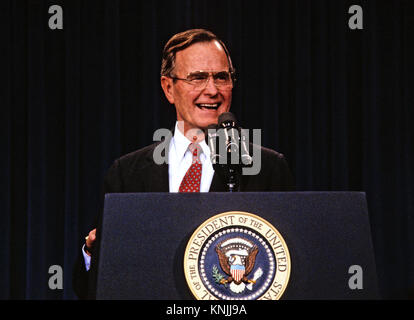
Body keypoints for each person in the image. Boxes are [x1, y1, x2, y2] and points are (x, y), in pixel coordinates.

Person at [72, 29, 294, 299]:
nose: (212, 90)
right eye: (198, 77)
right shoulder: (127, 174)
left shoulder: (266, 168)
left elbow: (286, 272)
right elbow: (91, 288)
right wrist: (91, 253)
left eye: (221, 77)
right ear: (168, 88)